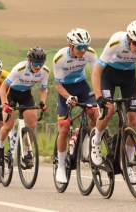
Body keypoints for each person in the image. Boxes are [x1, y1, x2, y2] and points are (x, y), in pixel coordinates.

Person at [91, 20, 136, 184]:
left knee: (133, 120)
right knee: (108, 111)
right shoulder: (116, 42)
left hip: (128, 78)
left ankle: (128, 165)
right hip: (108, 76)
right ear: (128, 38)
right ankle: (96, 142)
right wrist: (99, 97)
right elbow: (96, 72)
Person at [53, 28, 99, 183]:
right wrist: (67, 97)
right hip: (64, 90)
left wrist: (100, 95)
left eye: (85, 46)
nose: (83, 50)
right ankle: (60, 166)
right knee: (64, 128)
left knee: (97, 116)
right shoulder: (60, 58)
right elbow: (57, 85)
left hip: (82, 87)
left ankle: (84, 138)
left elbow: (96, 75)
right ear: (70, 46)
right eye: (79, 47)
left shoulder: (90, 53)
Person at [0, 47, 49, 166]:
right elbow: (3, 87)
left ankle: (26, 152)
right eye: (36, 63)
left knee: (32, 125)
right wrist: (4, 104)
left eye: (41, 64)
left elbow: (43, 90)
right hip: (11, 94)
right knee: (8, 126)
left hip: (26, 95)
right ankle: (0, 147)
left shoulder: (44, 71)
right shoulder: (19, 68)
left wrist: (42, 102)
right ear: (29, 61)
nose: (38, 67)